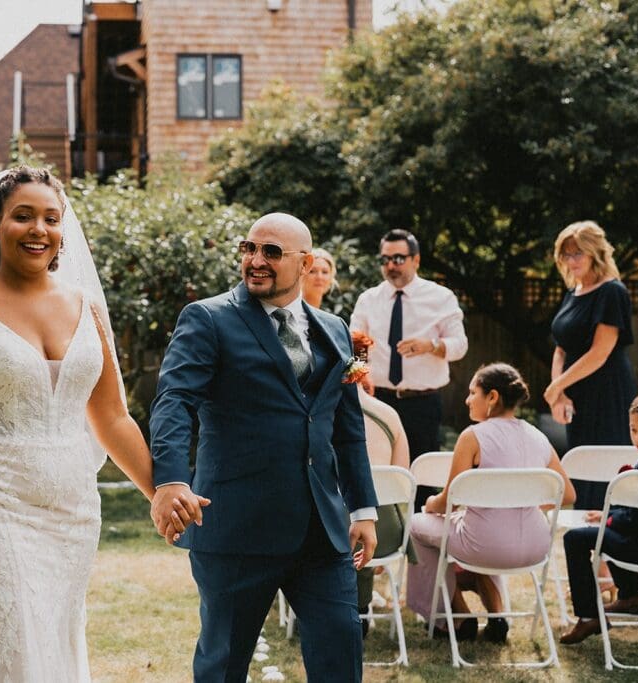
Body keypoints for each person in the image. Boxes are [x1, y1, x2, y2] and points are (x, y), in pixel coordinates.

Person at [0, 166, 183, 681]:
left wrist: (159, 491)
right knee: (14, 647)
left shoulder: (87, 308)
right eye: (23, 216)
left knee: (49, 645)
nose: (39, 230)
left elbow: (112, 417)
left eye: (51, 219)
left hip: (71, 512)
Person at [150, 212, 378, 682]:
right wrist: (171, 479)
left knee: (341, 656)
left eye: (271, 252)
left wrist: (363, 510)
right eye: (248, 248)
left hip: (321, 531)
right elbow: (175, 401)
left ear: (305, 262)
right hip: (237, 526)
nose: (255, 260)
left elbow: (346, 428)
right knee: (224, 667)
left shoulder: (334, 329)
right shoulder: (208, 319)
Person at [406, 363, 575, 643]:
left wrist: (430, 503)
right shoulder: (538, 436)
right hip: (536, 547)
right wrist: (525, 505)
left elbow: (450, 500)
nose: (467, 399)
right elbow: (567, 495)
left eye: (473, 392)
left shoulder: (472, 436)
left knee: (416, 525)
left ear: (492, 397)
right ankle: (497, 616)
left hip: (484, 545)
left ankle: (456, 619)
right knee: (474, 526)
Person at [349, 229, 468, 510]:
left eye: (399, 258)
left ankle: (418, 545)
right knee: (376, 473)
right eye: (386, 259)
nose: (391, 265)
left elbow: (460, 345)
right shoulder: (369, 299)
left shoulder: (440, 297)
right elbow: (352, 346)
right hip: (378, 401)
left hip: (422, 401)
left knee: (421, 476)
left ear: (416, 260)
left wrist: (431, 345)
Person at [545, 220, 636, 510]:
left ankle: (609, 544)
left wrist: (558, 385)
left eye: (577, 254)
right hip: (576, 394)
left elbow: (601, 352)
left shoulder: (612, 292)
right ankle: (582, 543)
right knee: (581, 468)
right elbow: (561, 348)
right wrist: (558, 394)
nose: (571, 262)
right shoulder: (572, 294)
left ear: (595, 253)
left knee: (605, 470)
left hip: (607, 392)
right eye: (566, 255)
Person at [559, 389, 638, 644]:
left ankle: (588, 616)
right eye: (633, 429)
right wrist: (609, 515)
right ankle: (632, 597)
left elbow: (637, 520)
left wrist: (608, 519)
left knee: (577, 538)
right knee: (606, 533)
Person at [350, 331, 411, 634]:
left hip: (337, 531)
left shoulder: (317, 414)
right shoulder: (390, 414)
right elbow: (403, 481)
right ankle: (360, 607)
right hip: (388, 535)